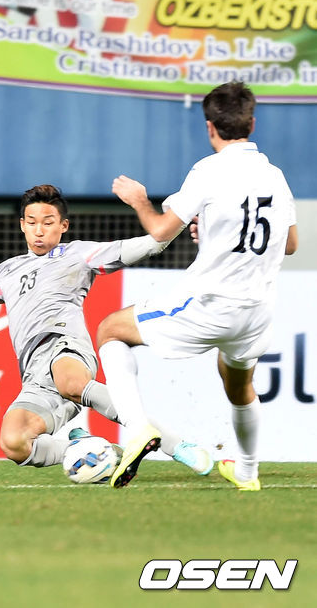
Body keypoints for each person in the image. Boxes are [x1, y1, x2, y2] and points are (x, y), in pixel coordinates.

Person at [0, 184, 213, 476]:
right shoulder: (5, 273)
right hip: (33, 374)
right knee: (13, 443)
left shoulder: (79, 254)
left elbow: (151, 244)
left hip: (66, 348)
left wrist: (181, 219)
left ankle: (176, 445)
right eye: (32, 222)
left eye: (48, 222)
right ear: (22, 225)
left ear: (63, 225)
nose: (39, 230)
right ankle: (87, 449)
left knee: (70, 383)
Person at [97, 81, 298, 490]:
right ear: (252, 123)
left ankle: (138, 429)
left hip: (211, 304)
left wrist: (138, 200)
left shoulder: (208, 171)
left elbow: (159, 232)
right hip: (256, 312)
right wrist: (213, 233)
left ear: (210, 127)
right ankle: (247, 474)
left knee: (110, 330)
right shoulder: (274, 176)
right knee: (238, 384)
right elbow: (290, 243)